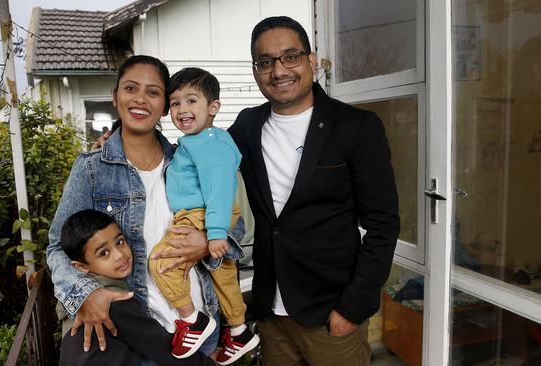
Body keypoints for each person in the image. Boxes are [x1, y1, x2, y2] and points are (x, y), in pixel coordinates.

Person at [46, 55, 244, 365]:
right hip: (139, 336)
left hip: (199, 330)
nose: (140, 99)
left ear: (166, 105)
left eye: (153, 92)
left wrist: (207, 241)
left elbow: (236, 224)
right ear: (116, 97)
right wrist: (85, 293)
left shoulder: (191, 162)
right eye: (130, 88)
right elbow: (59, 247)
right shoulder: (91, 169)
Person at [227, 16, 400, 366]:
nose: (279, 71)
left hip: (330, 312)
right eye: (266, 62)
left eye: (290, 56)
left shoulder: (355, 127)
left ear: (311, 60)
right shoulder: (247, 126)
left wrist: (352, 307)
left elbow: (383, 224)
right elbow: (202, 158)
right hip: (270, 313)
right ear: (256, 70)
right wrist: (126, 140)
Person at [148, 68, 259, 365]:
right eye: (175, 103)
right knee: (224, 278)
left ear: (213, 108)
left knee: (162, 262)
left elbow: (220, 189)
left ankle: (191, 320)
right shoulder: (197, 142)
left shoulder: (211, 143)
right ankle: (238, 330)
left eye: (191, 101)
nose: (182, 109)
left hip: (201, 216)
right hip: (207, 215)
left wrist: (217, 232)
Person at [57, 209, 216, 366]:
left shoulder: (77, 298)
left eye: (120, 242)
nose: (119, 255)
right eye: (104, 253)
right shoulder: (112, 302)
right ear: (81, 267)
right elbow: (162, 348)